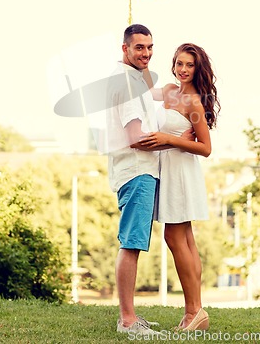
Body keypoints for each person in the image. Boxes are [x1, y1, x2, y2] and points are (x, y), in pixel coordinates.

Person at [138, 43, 220, 331]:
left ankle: (193, 310)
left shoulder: (194, 102)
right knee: (185, 240)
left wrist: (170, 139)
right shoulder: (170, 91)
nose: (183, 70)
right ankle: (195, 313)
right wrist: (136, 61)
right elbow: (142, 91)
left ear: (197, 69)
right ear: (173, 65)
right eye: (179, 64)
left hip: (182, 173)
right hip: (169, 169)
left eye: (189, 65)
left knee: (175, 238)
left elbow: (206, 147)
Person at [106, 23, 161, 336]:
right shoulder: (127, 83)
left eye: (150, 47)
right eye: (139, 47)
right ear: (124, 48)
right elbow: (136, 137)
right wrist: (175, 140)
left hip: (137, 172)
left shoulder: (130, 79)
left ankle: (130, 316)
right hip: (137, 171)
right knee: (130, 245)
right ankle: (127, 321)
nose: (147, 53)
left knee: (133, 244)